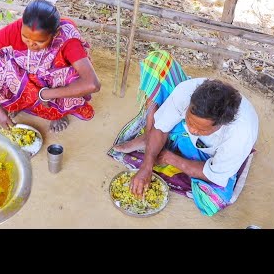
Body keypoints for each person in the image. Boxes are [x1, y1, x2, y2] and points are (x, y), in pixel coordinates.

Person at [108, 50, 259, 216]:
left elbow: (214, 175)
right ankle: (149, 138)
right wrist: (146, 166)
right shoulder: (186, 92)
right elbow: (161, 127)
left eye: (201, 129)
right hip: (181, 128)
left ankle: (158, 142)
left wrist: (169, 158)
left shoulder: (238, 136)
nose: (193, 129)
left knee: (213, 200)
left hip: (209, 153)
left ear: (221, 125)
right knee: (157, 64)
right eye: (190, 121)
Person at [0, 0, 101, 132]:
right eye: (25, 37)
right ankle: (16, 103)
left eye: (39, 41)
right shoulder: (16, 28)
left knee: (71, 75)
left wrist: (45, 94)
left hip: (52, 84)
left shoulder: (67, 39)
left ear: (55, 34)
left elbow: (92, 84)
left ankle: (57, 113)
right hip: (26, 75)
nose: (31, 44)